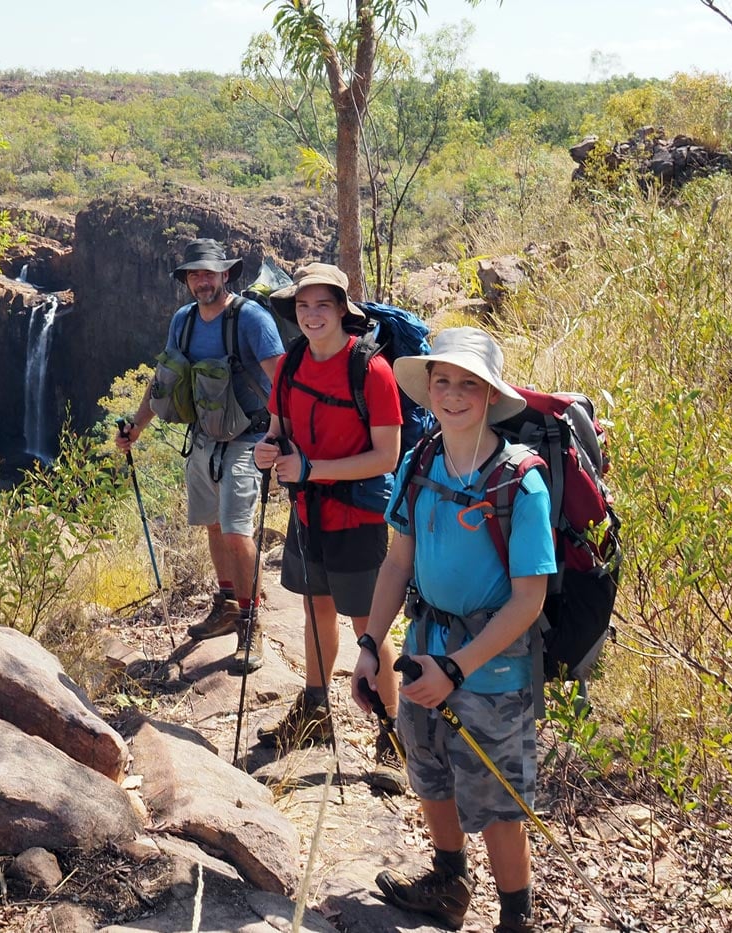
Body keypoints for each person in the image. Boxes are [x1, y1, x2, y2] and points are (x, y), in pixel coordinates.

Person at [350, 327, 555, 933]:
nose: (454, 394)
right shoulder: (420, 462)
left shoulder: (522, 481)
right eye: (443, 381)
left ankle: (515, 917)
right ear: (428, 387)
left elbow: (528, 600)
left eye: (469, 384)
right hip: (420, 653)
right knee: (428, 767)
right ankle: (447, 884)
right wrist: (369, 646)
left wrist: (457, 668)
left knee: (497, 803)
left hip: (492, 669)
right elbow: (396, 563)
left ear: (491, 394)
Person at [251, 262, 406, 793]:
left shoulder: (371, 370)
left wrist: (314, 470)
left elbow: (387, 457)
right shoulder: (291, 363)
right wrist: (268, 451)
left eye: (322, 305)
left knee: (369, 625)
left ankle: (393, 732)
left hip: (356, 517)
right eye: (302, 306)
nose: (312, 315)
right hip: (306, 512)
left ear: (343, 309)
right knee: (315, 609)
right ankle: (315, 715)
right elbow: (279, 430)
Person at [116, 239, 284, 672]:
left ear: (226, 274)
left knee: (235, 529)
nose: (202, 281)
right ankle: (227, 604)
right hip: (205, 437)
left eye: (209, 273)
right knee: (212, 525)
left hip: (249, 437)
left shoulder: (250, 320)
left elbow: (282, 382)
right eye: (194, 274)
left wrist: (283, 439)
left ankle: (251, 622)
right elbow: (164, 381)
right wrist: (136, 428)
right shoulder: (184, 322)